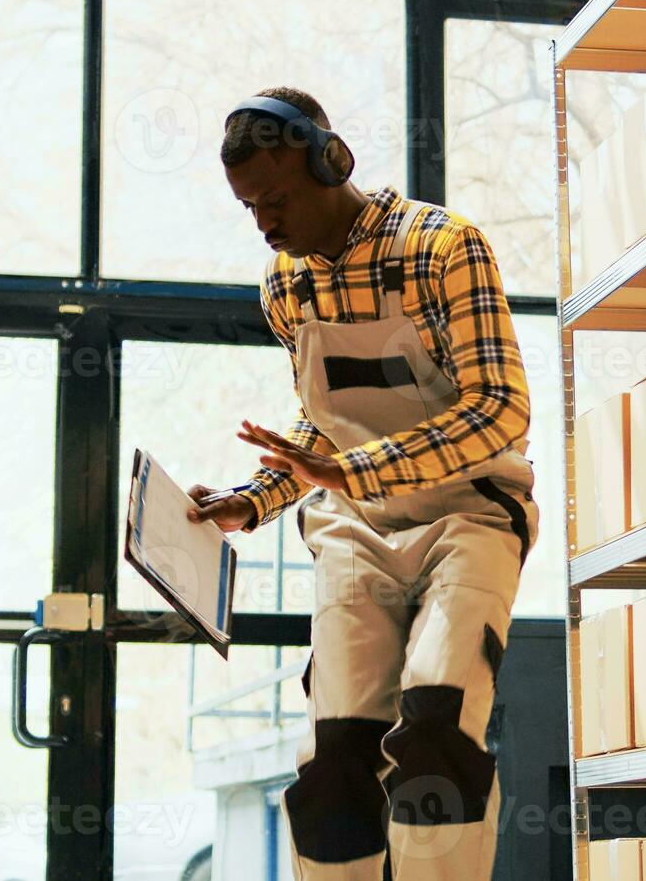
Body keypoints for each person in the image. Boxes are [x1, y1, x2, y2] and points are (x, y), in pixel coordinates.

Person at [188, 87, 538, 880]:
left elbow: (501, 407)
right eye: (249, 208)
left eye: (275, 199)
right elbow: (323, 425)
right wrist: (256, 499)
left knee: (434, 732)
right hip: (353, 528)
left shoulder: (442, 247)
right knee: (335, 758)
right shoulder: (286, 286)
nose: (266, 224)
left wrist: (351, 468)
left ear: (330, 161)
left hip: (470, 518)